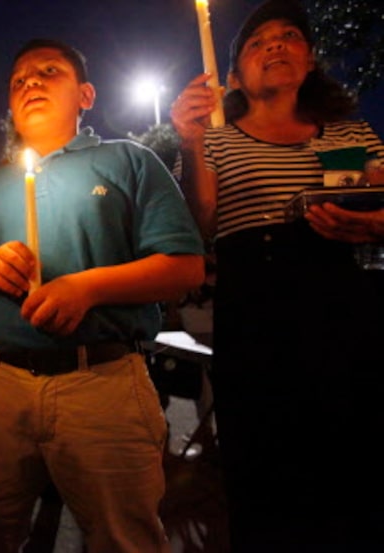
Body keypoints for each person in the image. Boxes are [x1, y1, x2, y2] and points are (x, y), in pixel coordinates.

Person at [0, 38, 205, 552]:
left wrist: (86, 287)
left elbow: (184, 266)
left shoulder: (128, 161)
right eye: (18, 81)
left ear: (86, 95)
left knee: (123, 536)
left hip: (102, 383)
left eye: (48, 72)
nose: (31, 83)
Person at [170, 0, 384, 550]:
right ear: (234, 75)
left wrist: (372, 224)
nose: (276, 44)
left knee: (347, 477)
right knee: (263, 482)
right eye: (258, 41)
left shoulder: (342, 135)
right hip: (255, 325)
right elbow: (202, 222)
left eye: (289, 35)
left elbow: (376, 199)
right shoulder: (217, 139)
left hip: (342, 320)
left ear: (310, 60)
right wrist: (192, 143)